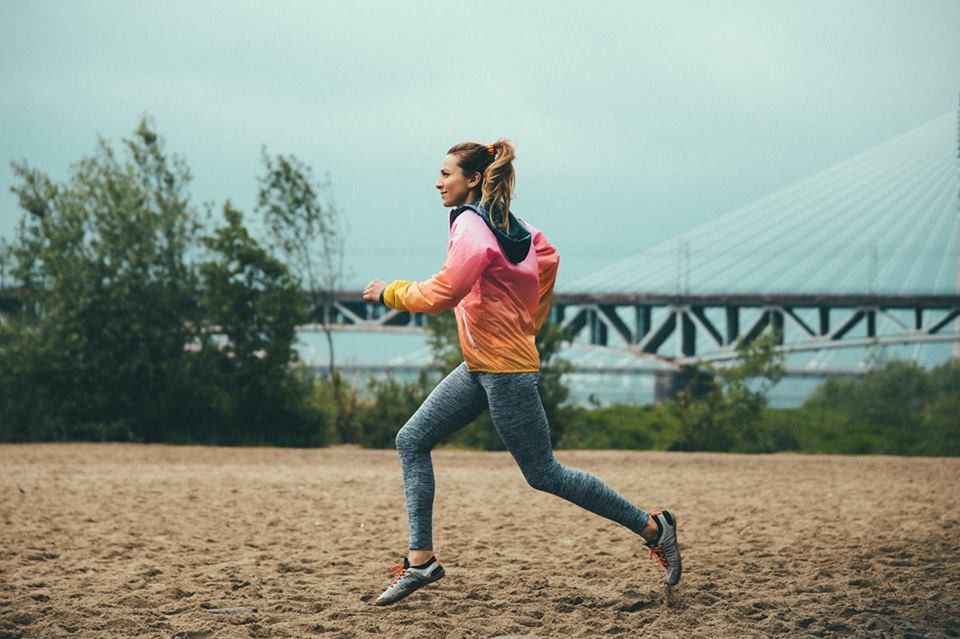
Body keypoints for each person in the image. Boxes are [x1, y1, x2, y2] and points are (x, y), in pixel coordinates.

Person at [362, 139, 681, 606]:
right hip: (480, 365)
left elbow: (445, 290)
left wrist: (390, 291)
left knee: (544, 473)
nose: (438, 182)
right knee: (411, 440)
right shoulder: (510, 223)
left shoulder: (472, 227)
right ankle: (421, 561)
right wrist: (527, 317)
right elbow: (548, 257)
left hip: (507, 372)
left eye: (446, 173)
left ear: (472, 179)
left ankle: (655, 528)